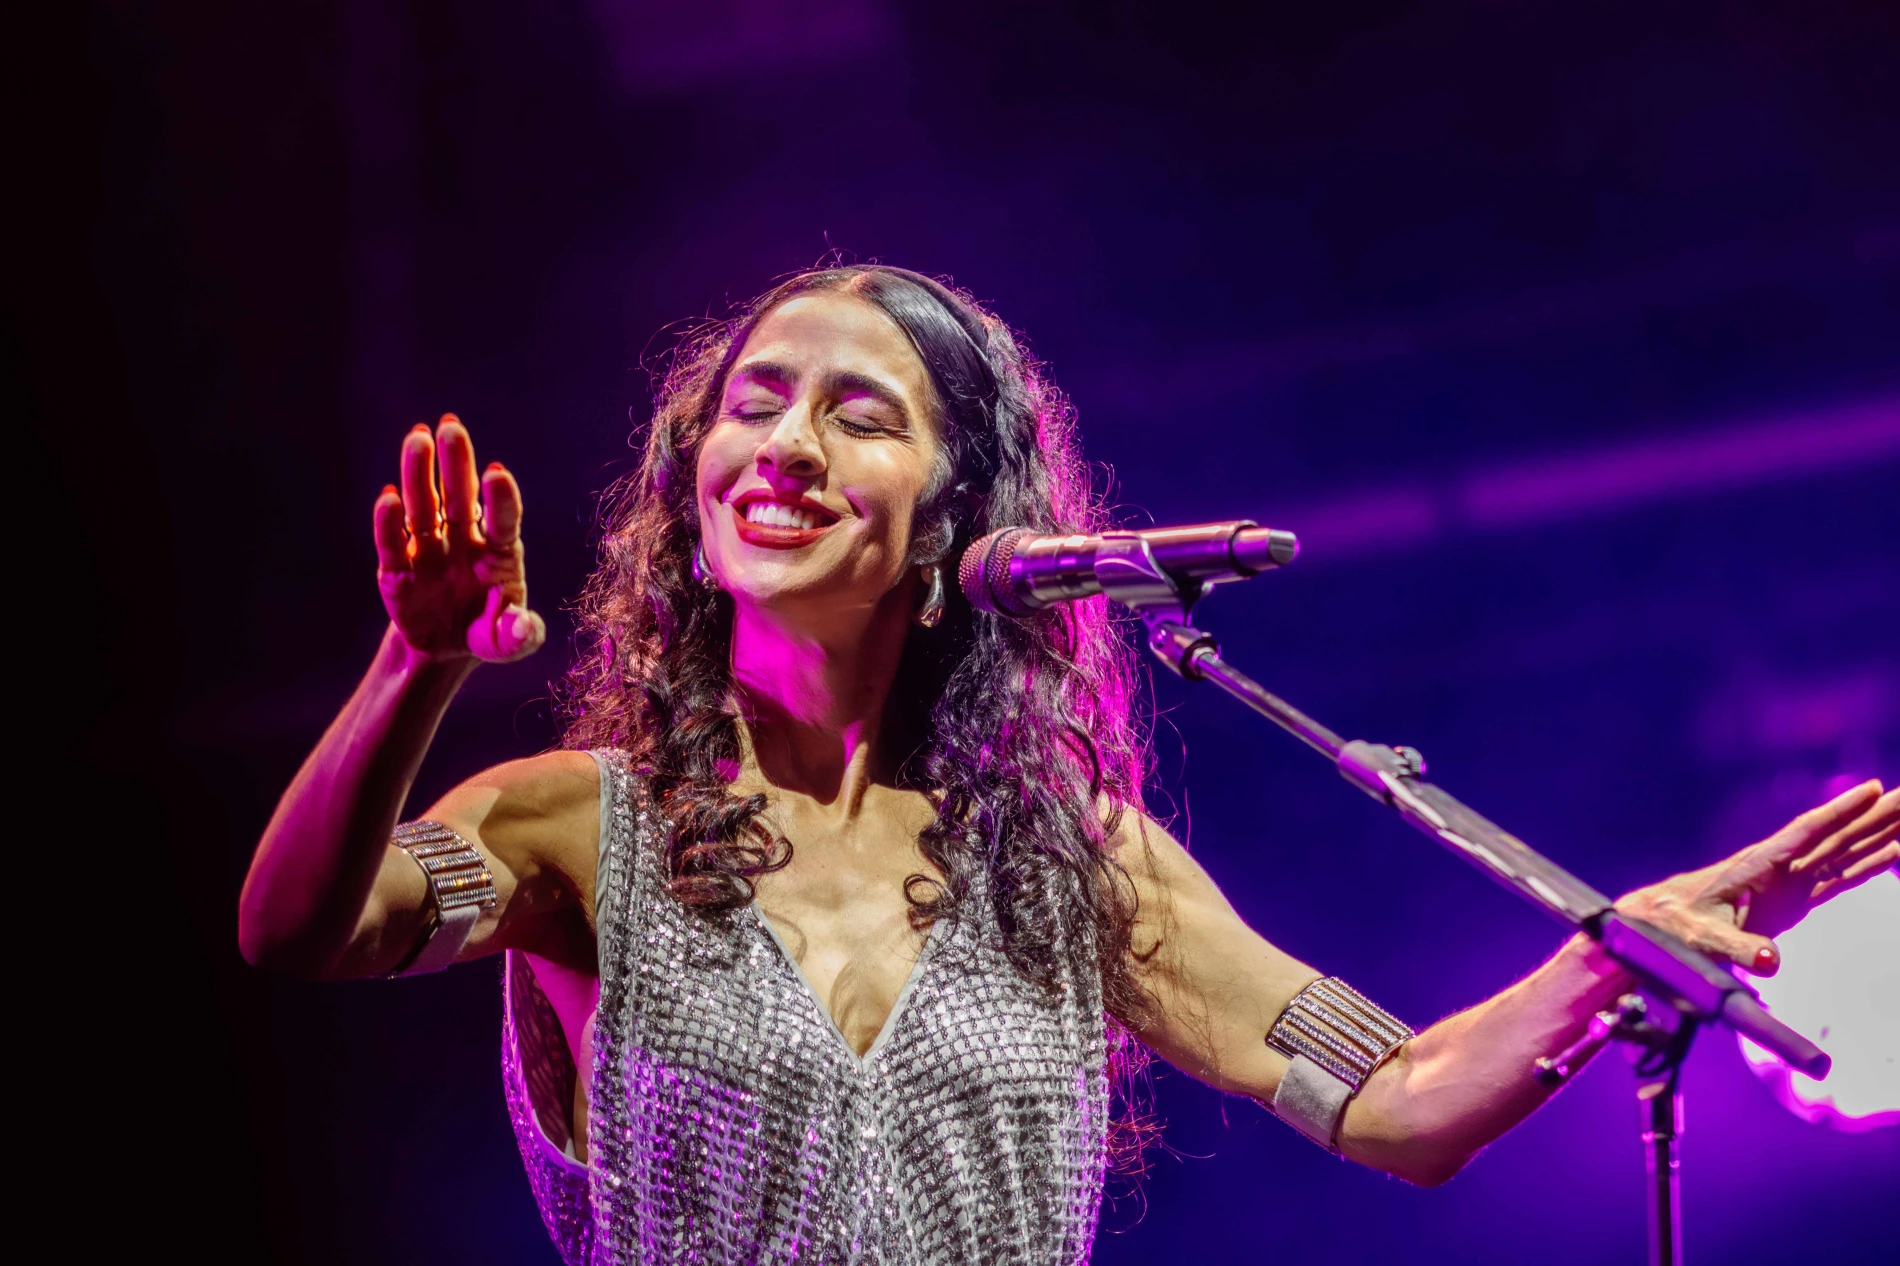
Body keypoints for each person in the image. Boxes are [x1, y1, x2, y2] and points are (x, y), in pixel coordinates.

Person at [238, 265, 1899, 1266]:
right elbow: (304, 925)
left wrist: (1610, 956)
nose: (786, 445)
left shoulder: (1064, 855)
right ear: (696, 474)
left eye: (857, 415)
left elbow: (1399, 1103)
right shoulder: (569, 824)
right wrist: (418, 664)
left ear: (953, 516)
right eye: (756, 403)